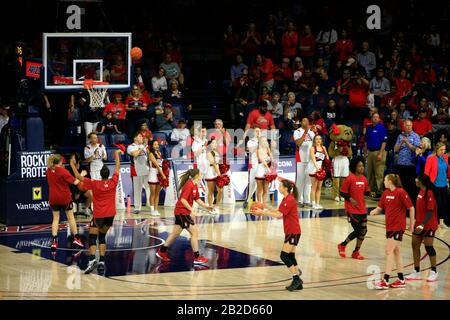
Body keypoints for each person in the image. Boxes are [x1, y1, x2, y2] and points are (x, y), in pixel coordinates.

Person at [70, 150, 123, 275]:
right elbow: (117, 168)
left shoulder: (95, 183)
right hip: (110, 215)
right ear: (108, 174)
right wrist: (116, 155)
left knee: (93, 237)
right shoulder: (113, 182)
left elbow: (78, 177)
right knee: (102, 236)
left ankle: (92, 259)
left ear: (100, 174)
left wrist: (72, 165)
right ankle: (102, 261)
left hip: (99, 215)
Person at [251, 180, 303, 291]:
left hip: (293, 231)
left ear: (286, 188)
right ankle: (297, 277)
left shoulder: (289, 200)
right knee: (290, 256)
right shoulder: (286, 199)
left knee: (284, 256)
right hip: (293, 231)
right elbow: (277, 211)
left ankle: (296, 278)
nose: (278, 187)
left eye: (280, 186)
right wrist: (265, 206)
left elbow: (278, 215)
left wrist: (262, 212)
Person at [156, 169, 213, 264]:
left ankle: (161, 252)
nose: (201, 175)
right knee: (195, 233)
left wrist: (206, 206)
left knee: (175, 234)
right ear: (196, 176)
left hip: (182, 212)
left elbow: (197, 198)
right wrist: (191, 210)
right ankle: (197, 257)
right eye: (200, 173)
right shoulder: (189, 185)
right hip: (182, 212)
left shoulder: (194, 185)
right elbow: (183, 200)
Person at [370, 174, 415, 289]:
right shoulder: (385, 193)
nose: (384, 181)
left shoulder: (400, 192)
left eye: (385, 180)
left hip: (398, 227)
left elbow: (411, 208)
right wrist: (373, 212)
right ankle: (401, 279)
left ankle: (385, 280)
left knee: (388, 251)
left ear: (390, 181)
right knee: (396, 252)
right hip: (389, 227)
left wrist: (412, 225)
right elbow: (380, 207)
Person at [338, 156, 374, 260]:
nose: (361, 168)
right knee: (358, 230)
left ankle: (356, 252)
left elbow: (366, 190)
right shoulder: (350, 178)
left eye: (362, 166)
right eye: (359, 166)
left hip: (362, 209)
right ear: (354, 167)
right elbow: (342, 192)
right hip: (352, 210)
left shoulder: (364, 179)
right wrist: (350, 199)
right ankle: (342, 245)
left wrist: (370, 193)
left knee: (363, 231)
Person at [405, 174, 439, 282]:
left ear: (421, 181)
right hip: (419, 223)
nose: (415, 180)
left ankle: (434, 271)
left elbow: (430, 212)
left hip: (429, 224)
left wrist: (422, 225)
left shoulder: (429, 193)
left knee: (428, 247)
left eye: (417, 179)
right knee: (415, 245)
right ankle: (416, 271)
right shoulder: (419, 191)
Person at [46, 154, 83, 253]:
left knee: (55, 219)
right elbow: (76, 182)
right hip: (64, 197)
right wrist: (82, 175)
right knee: (70, 218)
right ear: (60, 162)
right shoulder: (63, 171)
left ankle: (54, 241)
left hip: (53, 198)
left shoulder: (48, 171)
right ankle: (77, 239)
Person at [393, 119, 421, 200]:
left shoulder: (415, 136)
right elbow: (395, 149)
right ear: (403, 126)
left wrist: (407, 142)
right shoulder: (400, 136)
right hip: (401, 164)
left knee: (410, 186)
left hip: (410, 165)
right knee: (401, 185)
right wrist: (401, 142)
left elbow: (416, 149)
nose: (409, 127)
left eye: (410, 126)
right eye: (407, 126)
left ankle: (410, 204)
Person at [424, 143, 450, 228]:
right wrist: (431, 185)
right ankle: (434, 221)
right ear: (436, 149)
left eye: (444, 150)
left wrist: (447, 181)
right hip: (434, 184)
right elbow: (426, 173)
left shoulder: (445, 157)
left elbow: (446, 170)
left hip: (444, 184)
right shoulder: (431, 158)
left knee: (444, 204)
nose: (443, 152)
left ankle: (441, 223)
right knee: (437, 204)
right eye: (441, 150)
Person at [364, 113, 387, 197]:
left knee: (378, 173)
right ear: (371, 118)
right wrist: (365, 153)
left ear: (379, 119)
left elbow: (384, 142)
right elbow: (366, 141)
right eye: (374, 117)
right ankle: (371, 190)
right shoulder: (369, 128)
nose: (375, 118)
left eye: (377, 117)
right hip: (370, 152)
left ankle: (379, 191)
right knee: (370, 172)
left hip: (379, 152)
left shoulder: (382, 128)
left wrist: (380, 153)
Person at [127, 132, 150, 214]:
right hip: (136, 170)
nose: (142, 138)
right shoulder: (131, 147)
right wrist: (143, 146)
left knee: (149, 189)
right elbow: (135, 154)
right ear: (135, 138)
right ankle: (137, 207)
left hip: (146, 170)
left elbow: (149, 156)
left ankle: (151, 205)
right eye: (140, 136)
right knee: (137, 190)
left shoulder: (145, 146)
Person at [294, 117, 315, 206]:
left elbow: (314, 144)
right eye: (303, 120)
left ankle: (307, 200)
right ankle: (299, 200)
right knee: (300, 180)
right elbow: (298, 143)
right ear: (301, 122)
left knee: (308, 180)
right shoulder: (297, 132)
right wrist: (305, 133)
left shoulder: (312, 133)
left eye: (306, 121)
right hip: (300, 159)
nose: (305, 122)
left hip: (310, 159)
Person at [308, 135, 329, 209]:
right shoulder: (312, 148)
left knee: (319, 187)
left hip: (321, 168)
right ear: (314, 141)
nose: (318, 140)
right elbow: (313, 159)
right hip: (314, 168)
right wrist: (318, 169)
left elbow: (327, 157)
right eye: (317, 139)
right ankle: (313, 203)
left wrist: (326, 164)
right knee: (314, 186)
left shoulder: (324, 148)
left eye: (320, 139)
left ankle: (317, 203)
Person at [244, 126, 262, 209]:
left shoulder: (263, 141)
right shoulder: (251, 141)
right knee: (252, 183)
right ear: (254, 132)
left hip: (262, 165)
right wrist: (259, 144)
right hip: (254, 165)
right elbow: (251, 150)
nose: (258, 133)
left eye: (259, 131)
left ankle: (260, 202)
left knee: (260, 184)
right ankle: (247, 200)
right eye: (256, 131)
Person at [148, 140, 166, 217]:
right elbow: (157, 165)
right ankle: (152, 210)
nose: (157, 146)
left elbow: (161, 165)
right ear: (152, 146)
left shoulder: (159, 153)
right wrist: (163, 174)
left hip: (159, 173)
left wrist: (163, 172)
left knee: (157, 193)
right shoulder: (151, 154)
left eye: (157, 144)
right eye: (155, 144)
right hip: (153, 173)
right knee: (152, 193)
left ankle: (156, 209)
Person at [205, 139, 223, 214]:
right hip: (211, 173)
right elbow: (214, 164)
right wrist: (219, 174)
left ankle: (217, 206)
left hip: (217, 172)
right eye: (213, 143)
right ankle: (210, 207)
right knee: (211, 192)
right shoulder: (208, 153)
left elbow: (218, 164)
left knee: (220, 191)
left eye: (216, 143)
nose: (215, 144)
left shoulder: (217, 152)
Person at [255, 136, 272, 206]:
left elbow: (272, 158)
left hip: (267, 170)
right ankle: (259, 204)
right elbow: (261, 160)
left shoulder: (267, 149)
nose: (264, 142)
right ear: (260, 142)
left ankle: (264, 205)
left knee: (266, 189)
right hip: (260, 170)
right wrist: (268, 168)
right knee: (260, 189)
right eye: (262, 141)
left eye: (265, 141)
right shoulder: (258, 150)